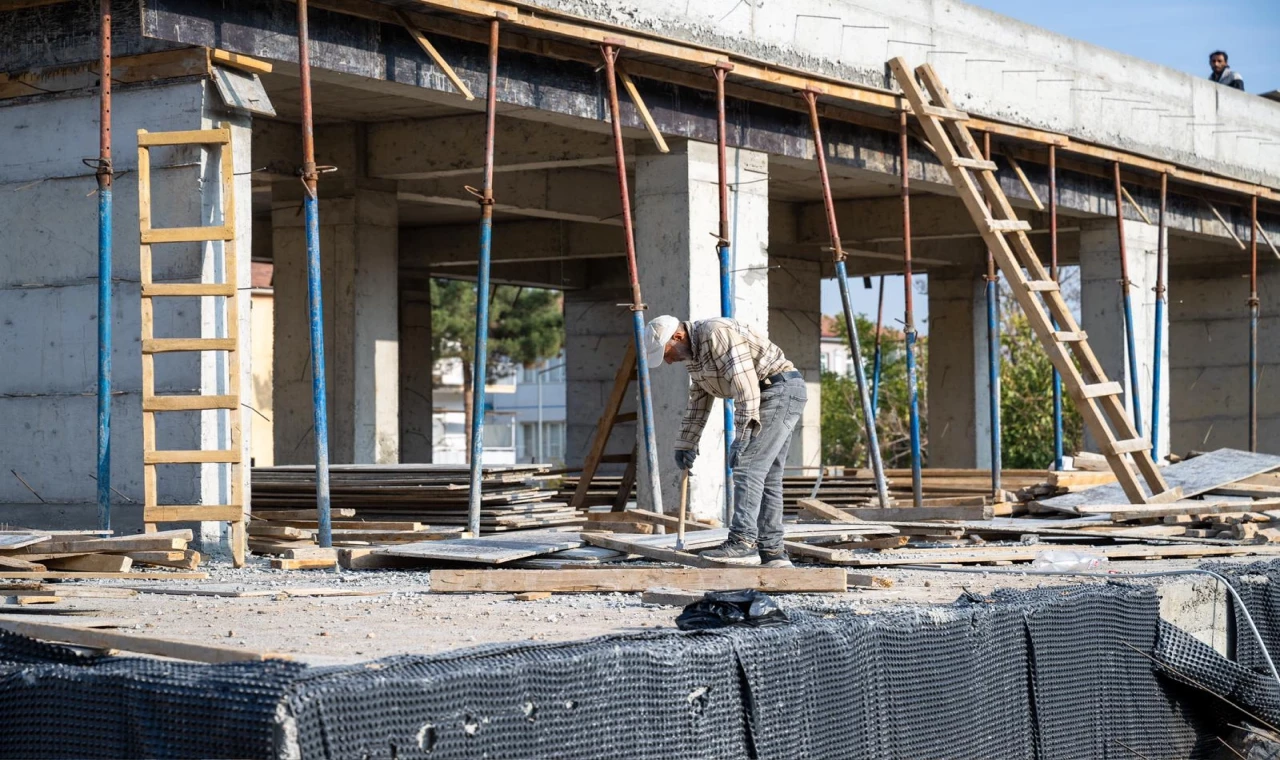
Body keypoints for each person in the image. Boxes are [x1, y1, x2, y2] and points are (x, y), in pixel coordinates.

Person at [645, 315, 807, 567]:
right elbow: (698, 400)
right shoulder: (694, 357)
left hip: (778, 391)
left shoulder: (715, 332)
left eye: (666, 353)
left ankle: (743, 542)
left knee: (748, 466)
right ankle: (773, 552)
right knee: (767, 475)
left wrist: (743, 436)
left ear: (678, 337)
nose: (667, 361)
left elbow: (746, 387)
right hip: (771, 394)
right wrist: (685, 443)